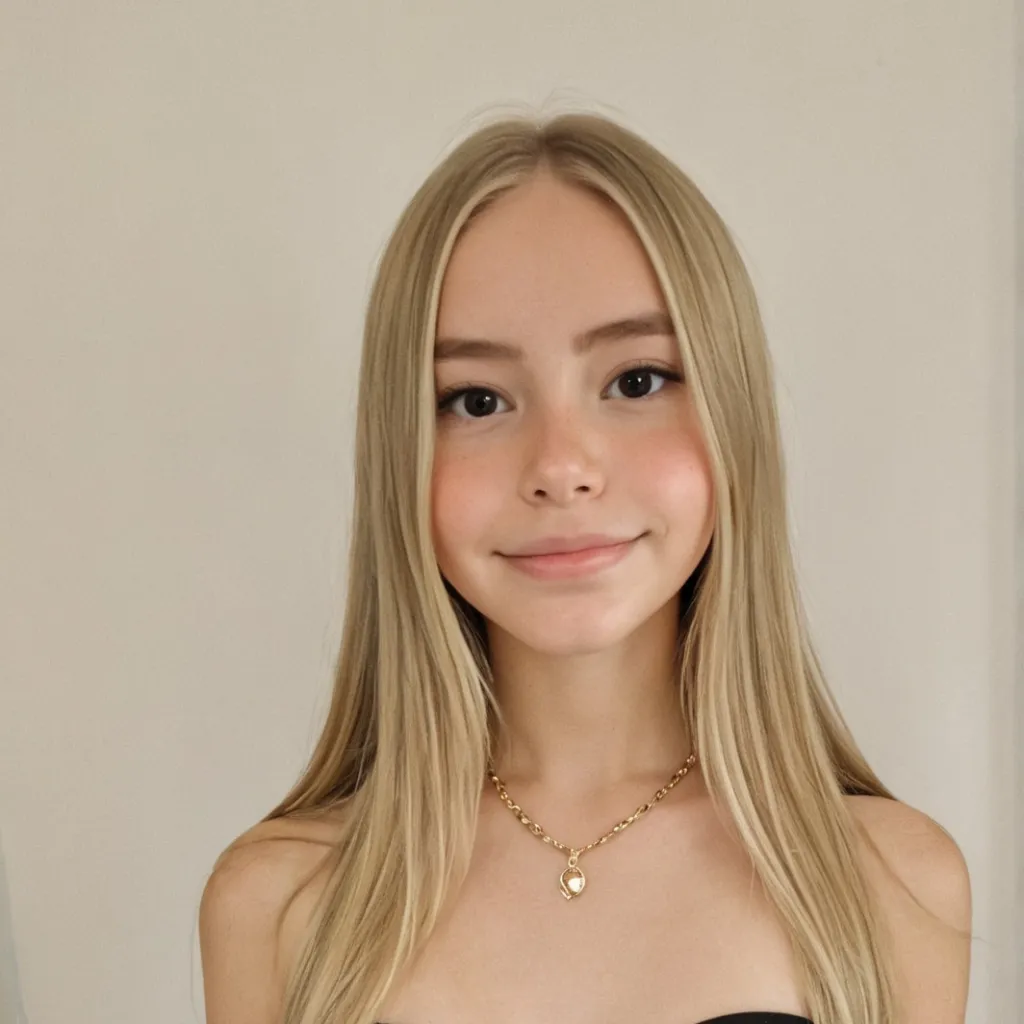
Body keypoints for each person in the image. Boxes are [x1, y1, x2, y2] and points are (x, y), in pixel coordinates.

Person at [196, 108, 972, 1024]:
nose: (561, 467)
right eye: (477, 400)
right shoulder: (278, 905)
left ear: (733, 417)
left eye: (636, 381)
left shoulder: (893, 883)